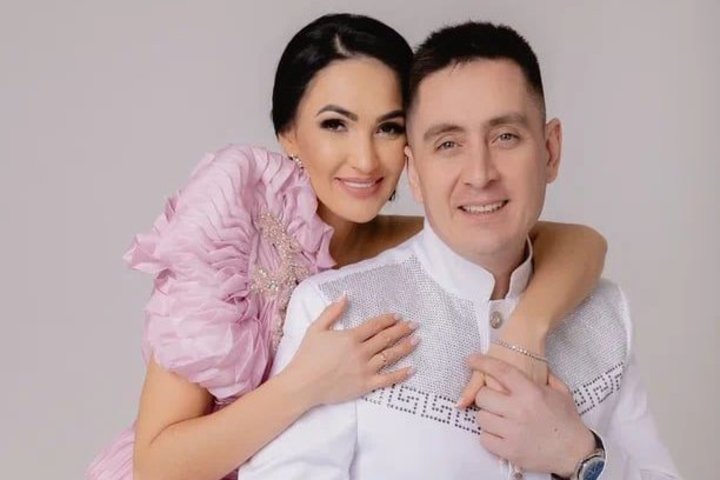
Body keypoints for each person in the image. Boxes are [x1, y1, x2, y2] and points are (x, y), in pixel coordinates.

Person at [87, 14, 608, 480]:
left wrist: (523, 337)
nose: (364, 160)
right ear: (288, 134)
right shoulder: (235, 212)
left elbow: (579, 242)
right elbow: (155, 467)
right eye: (335, 125)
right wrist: (305, 385)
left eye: (388, 128)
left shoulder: (402, 238)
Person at [237, 21, 679, 480]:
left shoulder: (604, 314)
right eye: (448, 143)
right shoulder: (335, 312)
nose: (480, 174)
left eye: (505, 136)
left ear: (550, 151)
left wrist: (580, 456)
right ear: (413, 171)